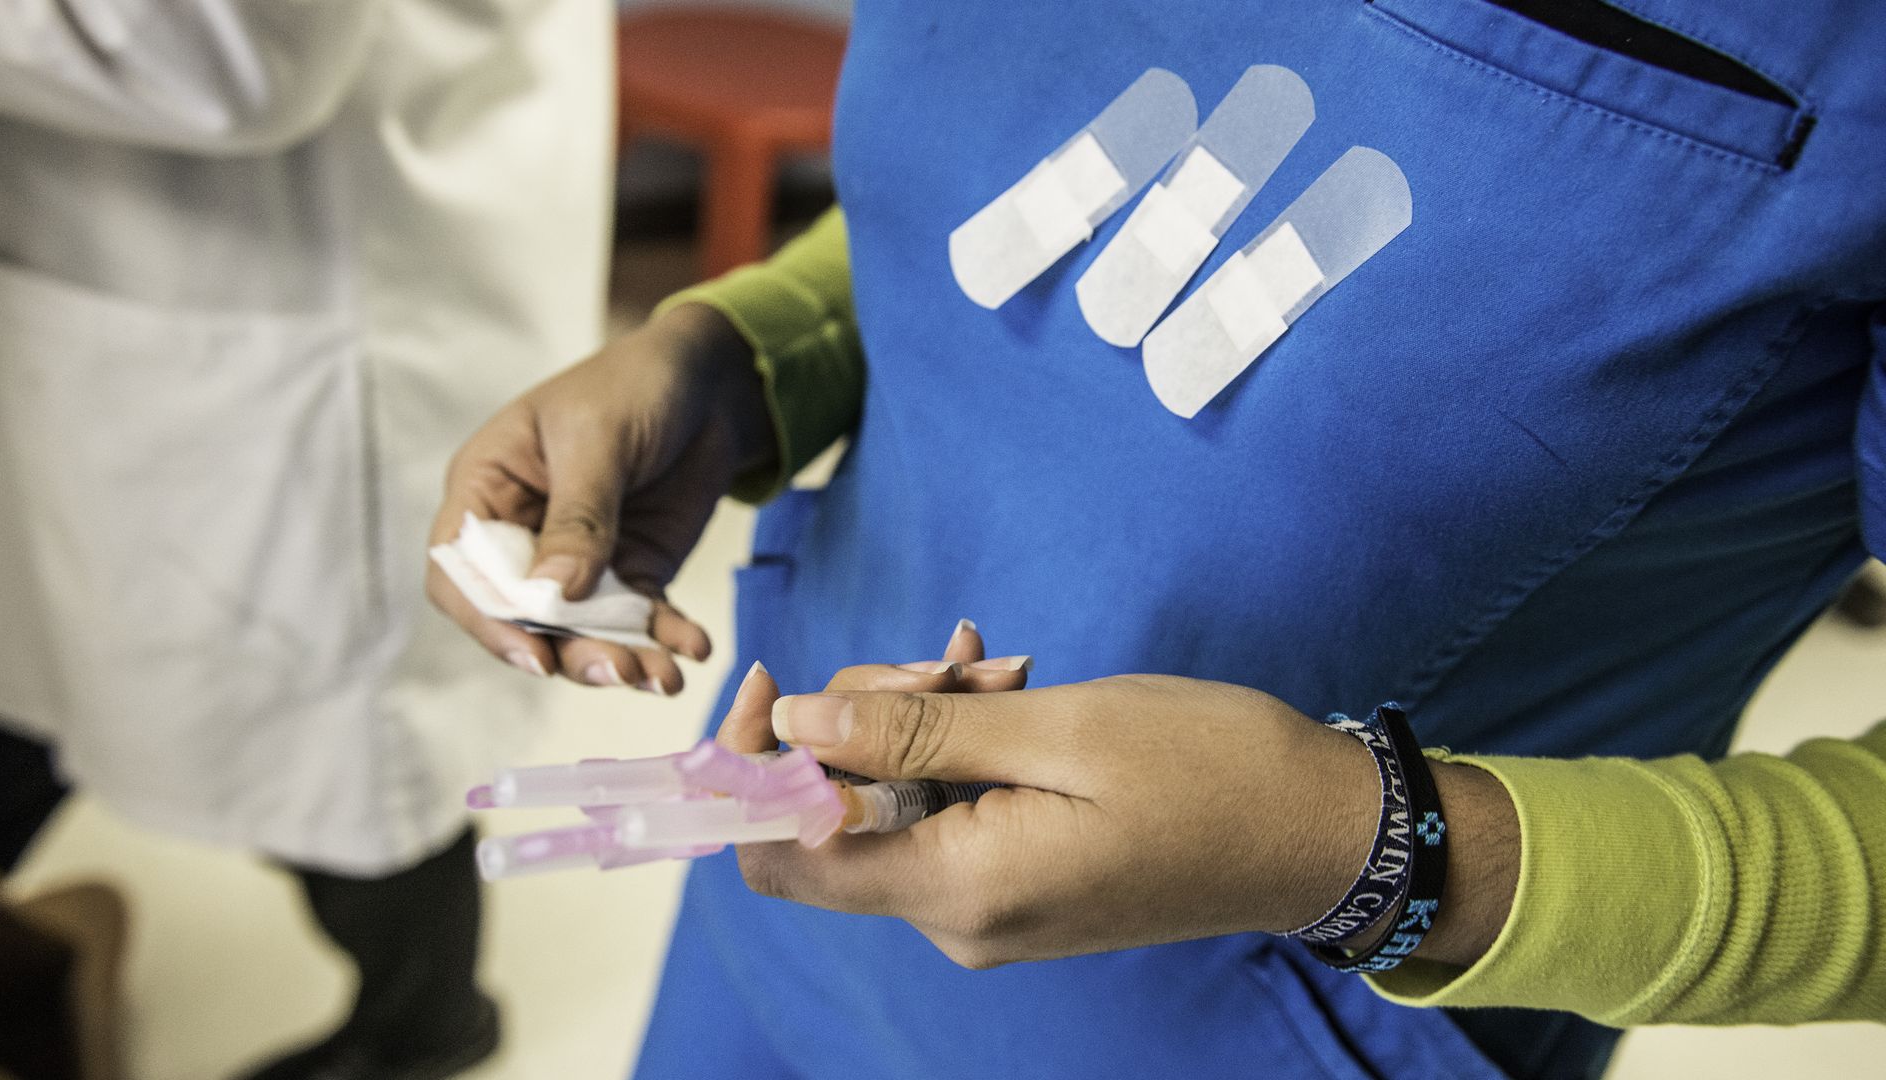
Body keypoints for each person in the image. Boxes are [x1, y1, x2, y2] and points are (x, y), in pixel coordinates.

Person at [433, 2, 1885, 1077]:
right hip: (788, 907)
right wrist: (752, 351)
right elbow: (1102, 169)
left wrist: (1367, 847)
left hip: (1258, 1030)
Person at [0, 3, 610, 1077]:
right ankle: (18, 967)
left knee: (345, 745)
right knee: (43, 652)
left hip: (295, 268)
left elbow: (238, 52)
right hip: (101, 255)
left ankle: (422, 1027)